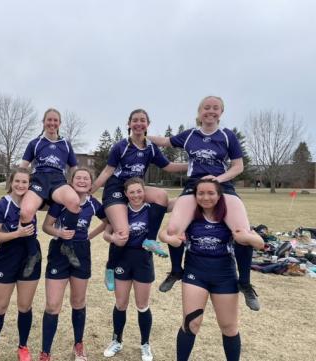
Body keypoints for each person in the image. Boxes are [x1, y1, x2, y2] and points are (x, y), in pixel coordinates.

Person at [148, 96, 263, 311]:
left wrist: (217, 180)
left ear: (221, 112)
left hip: (222, 185)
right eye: (206, 108)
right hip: (194, 185)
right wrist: (143, 135)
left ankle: (245, 283)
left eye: (215, 108)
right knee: (173, 229)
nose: (211, 111)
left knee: (242, 231)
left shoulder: (227, 136)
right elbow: (165, 141)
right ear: (199, 111)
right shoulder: (190, 134)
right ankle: (176, 271)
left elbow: (238, 166)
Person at [158, 179, 263, 361]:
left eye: (211, 193)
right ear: (195, 195)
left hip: (224, 276)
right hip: (195, 273)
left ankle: (246, 285)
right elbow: (165, 232)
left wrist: (246, 237)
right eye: (201, 193)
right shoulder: (190, 215)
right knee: (191, 324)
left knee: (229, 327)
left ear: (220, 195)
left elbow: (260, 243)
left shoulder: (230, 218)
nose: (205, 198)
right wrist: (169, 240)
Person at [91, 109, 187, 291]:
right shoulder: (121, 146)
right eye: (135, 120)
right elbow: (107, 171)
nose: (138, 123)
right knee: (123, 233)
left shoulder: (151, 147)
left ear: (147, 124)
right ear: (129, 124)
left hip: (135, 188)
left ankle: (150, 239)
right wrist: (91, 190)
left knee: (161, 196)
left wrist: (193, 165)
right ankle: (110, 268)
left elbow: (169, 166)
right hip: (116, 190)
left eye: (142, 120)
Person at [38, 168, 106, 361]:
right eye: (78, 178)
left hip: (81, 253)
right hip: (59, 252)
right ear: (71, 181)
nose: (82, 181)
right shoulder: (61, 201)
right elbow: (46, 226)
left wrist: (88, 237)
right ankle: (45, 352)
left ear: (91, 184)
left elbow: (108, 221)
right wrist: (59, 233)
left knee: (78, 302)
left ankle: (78, 344)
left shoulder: (93, 204)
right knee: (52, 306)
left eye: (86, 178)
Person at [0, 168, 40, 361]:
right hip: (7, 257)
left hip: (30, 257)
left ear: (30, 184)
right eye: (18, 181)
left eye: (25, 182)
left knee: (24, 306)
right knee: (0, 306)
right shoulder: (2, 205)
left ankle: (23, 347)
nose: (21, 185)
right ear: (11, 182)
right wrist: (17, 233)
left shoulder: (34, 202)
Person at [102, 177, 161, 361]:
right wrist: (113, 239)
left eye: (139, 191)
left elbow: (172, 205)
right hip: (122, 259)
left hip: (143, 260)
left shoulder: (151, 209)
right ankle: (117, 340)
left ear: (144, 191)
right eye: (132, 192)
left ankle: (145, 344)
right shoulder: (119, 210)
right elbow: (106, 233)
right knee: (121, 304)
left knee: (142, 305)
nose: (136, 195)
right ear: (126, 194)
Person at [19, 108, 81, 277]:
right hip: (39, 180)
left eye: (55, 120)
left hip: (58, 181)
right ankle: (33, 252)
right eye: (49, 120)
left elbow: (74, 168)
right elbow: (23, 167)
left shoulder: (66, 144)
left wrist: (74, 183)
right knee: (25, 212)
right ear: (44, 122)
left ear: (59, 123)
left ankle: (67, 245)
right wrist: (18, 186)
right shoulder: (35, 143)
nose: (52, 123)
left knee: (74, 202)